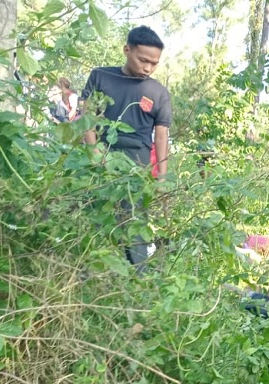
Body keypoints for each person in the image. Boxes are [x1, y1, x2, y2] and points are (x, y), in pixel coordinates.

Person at [81, 26, 172, 270]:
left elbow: (161, 137)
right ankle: (91, 271)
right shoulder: (100, 76)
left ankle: (135, 275)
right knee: (95, 211)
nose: (148, 68)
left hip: (137, 159)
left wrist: (162, 177)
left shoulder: (159, 93)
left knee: (133, 218)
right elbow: (86, 115)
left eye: (154, 63)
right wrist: (93, 152)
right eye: (143, 60)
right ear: (127, 49)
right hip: (101, 151)